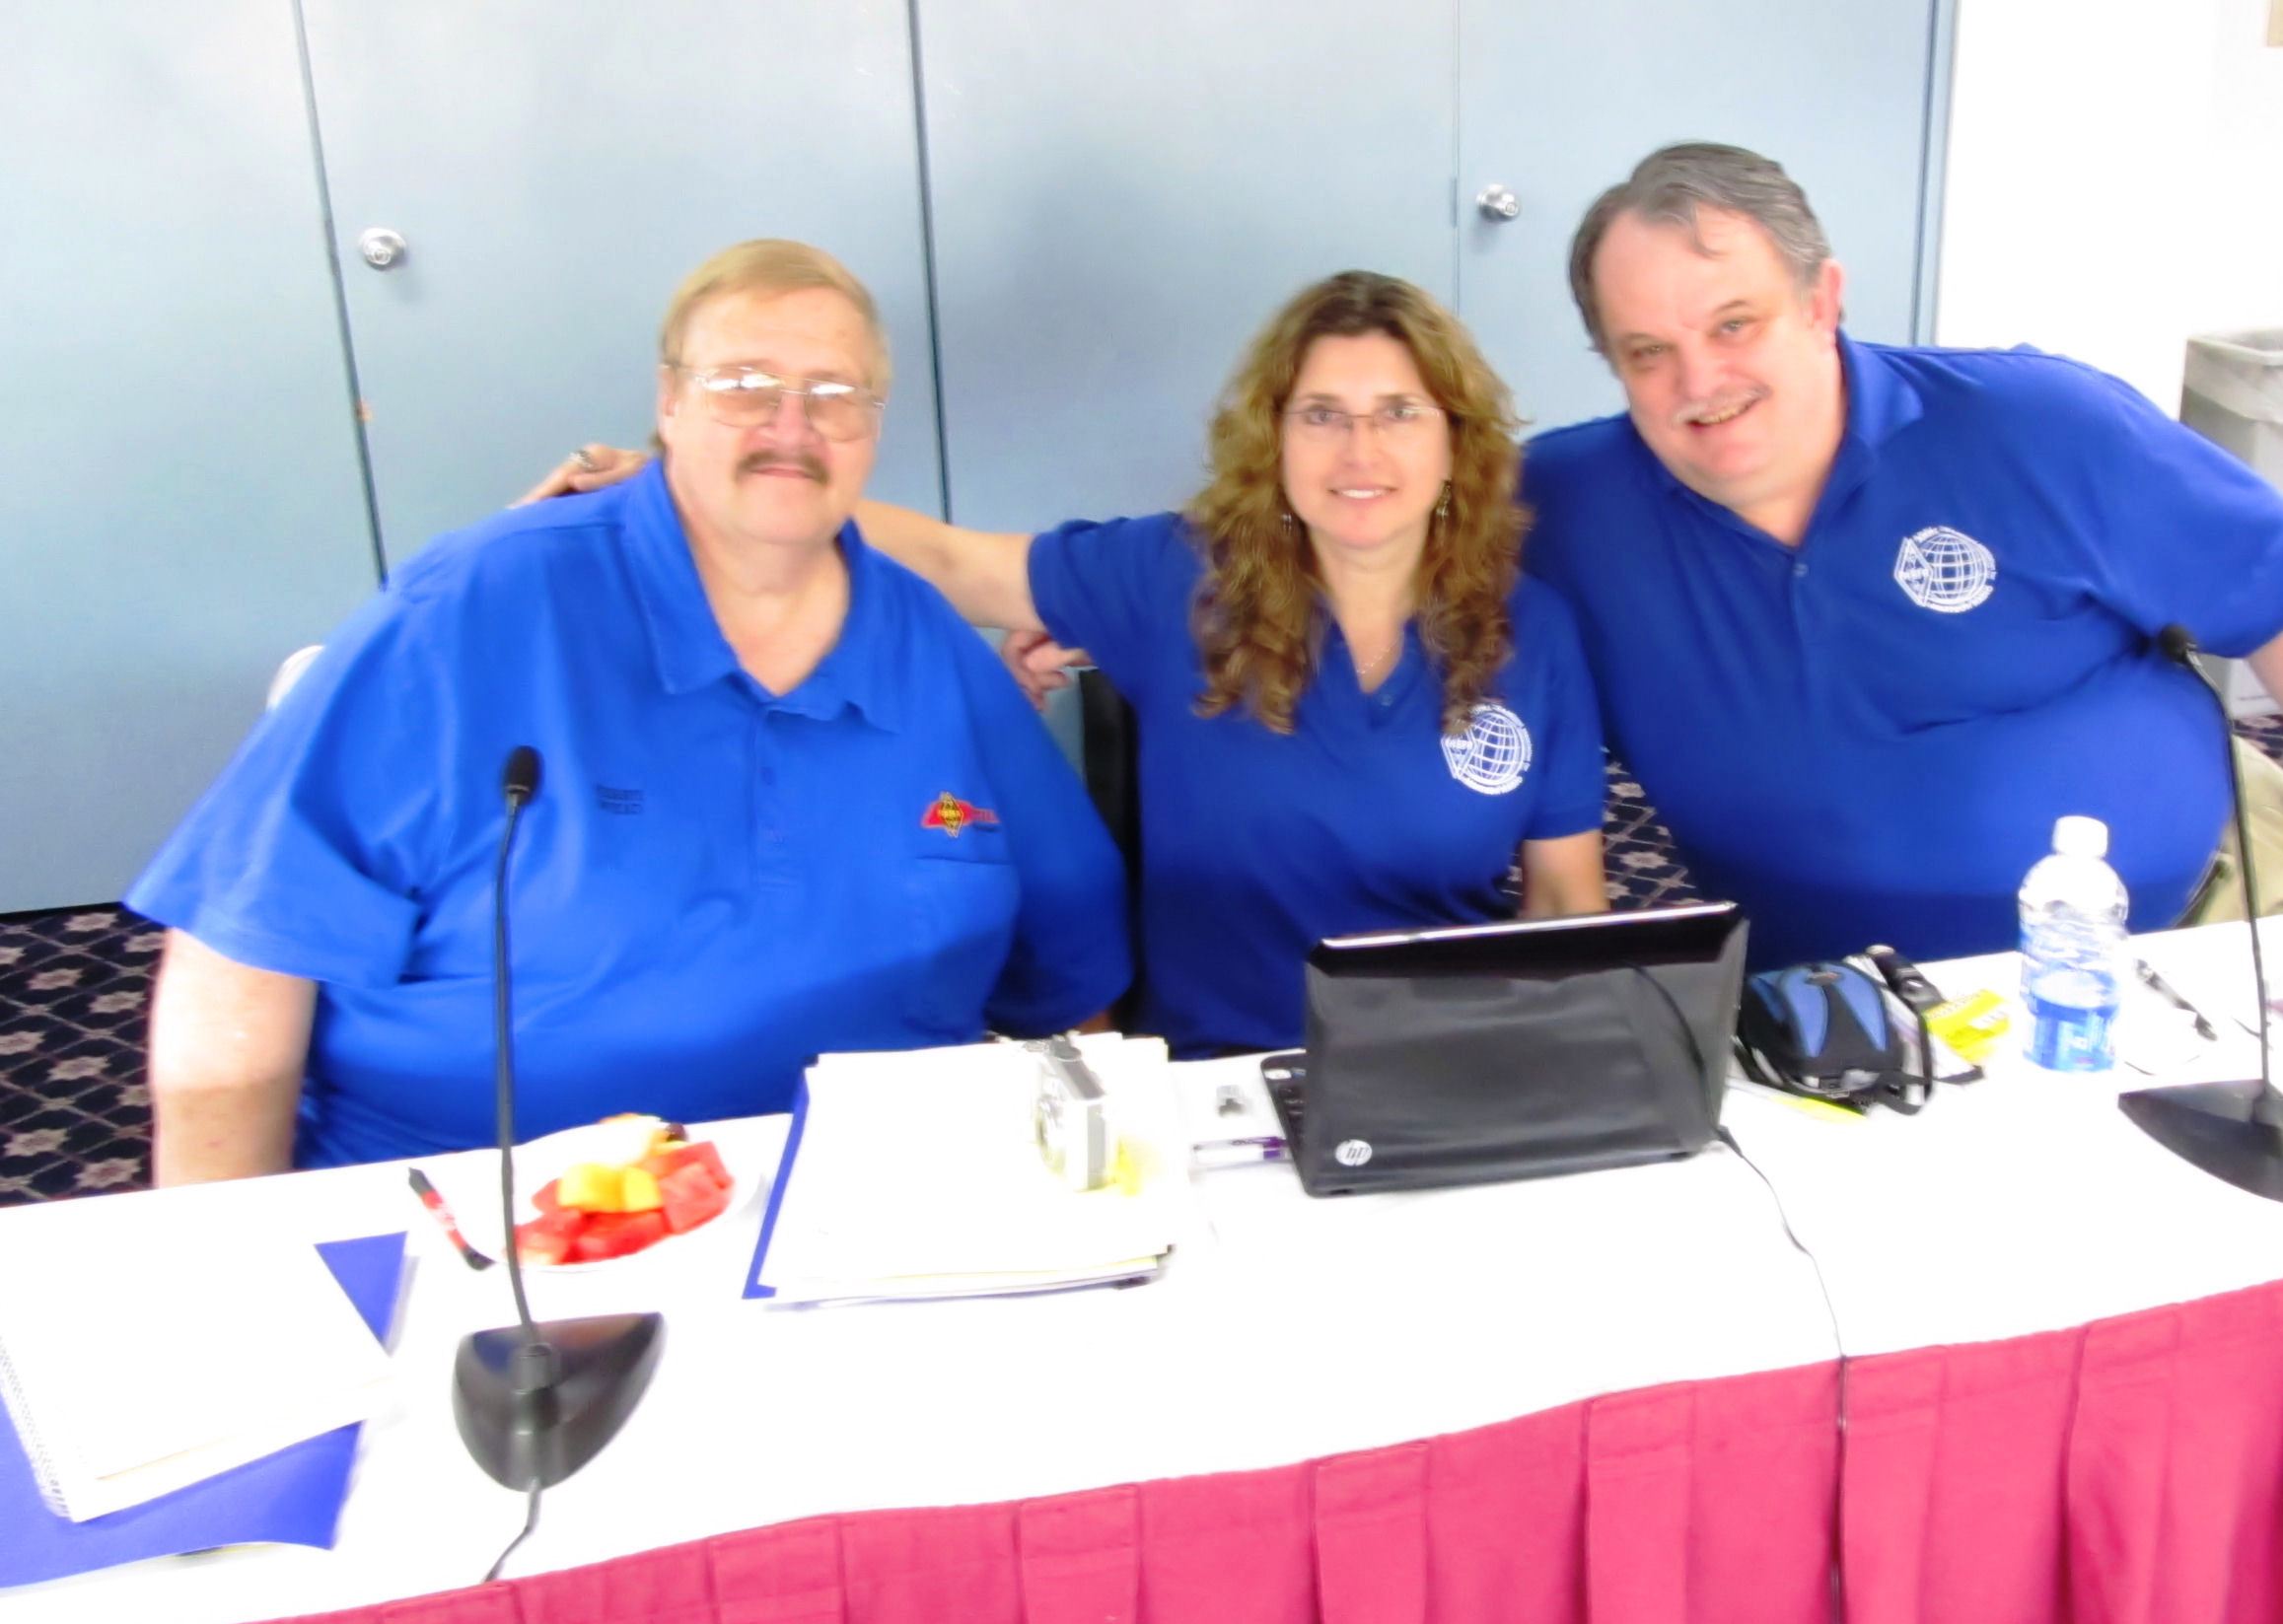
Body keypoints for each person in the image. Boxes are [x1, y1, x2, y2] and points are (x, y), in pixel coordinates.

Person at [130, 239, 1128, 1182]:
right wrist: (224, 1253)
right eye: (744, 385)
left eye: (834, 393)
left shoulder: (928, 647)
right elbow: (239, 964)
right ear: (669, 403)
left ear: (872, 424)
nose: (791, 426)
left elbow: (1071, 977)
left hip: (876, 1197)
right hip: (491, 1200)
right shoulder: (471, 610)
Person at [534, 272, 1609, 1059]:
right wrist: (698, 484)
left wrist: (1568, 1079)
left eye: (1397, 415)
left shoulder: (1533, 630)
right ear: (1274, 439)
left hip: (1455, 1070)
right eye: (1321, 415)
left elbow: (1566, 899)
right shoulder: (1178, 579)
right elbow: (952, 562)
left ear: (1453, 443)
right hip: (1220, 1081)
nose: (1359, 453)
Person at [1516, 142, 2283, 967]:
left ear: (1821, 302)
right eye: (1648, 352)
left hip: (2173, 940)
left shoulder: (2041, 424)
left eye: (1733, 325)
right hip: (1812, 990)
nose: (1698, 381)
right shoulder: (1563, 507)